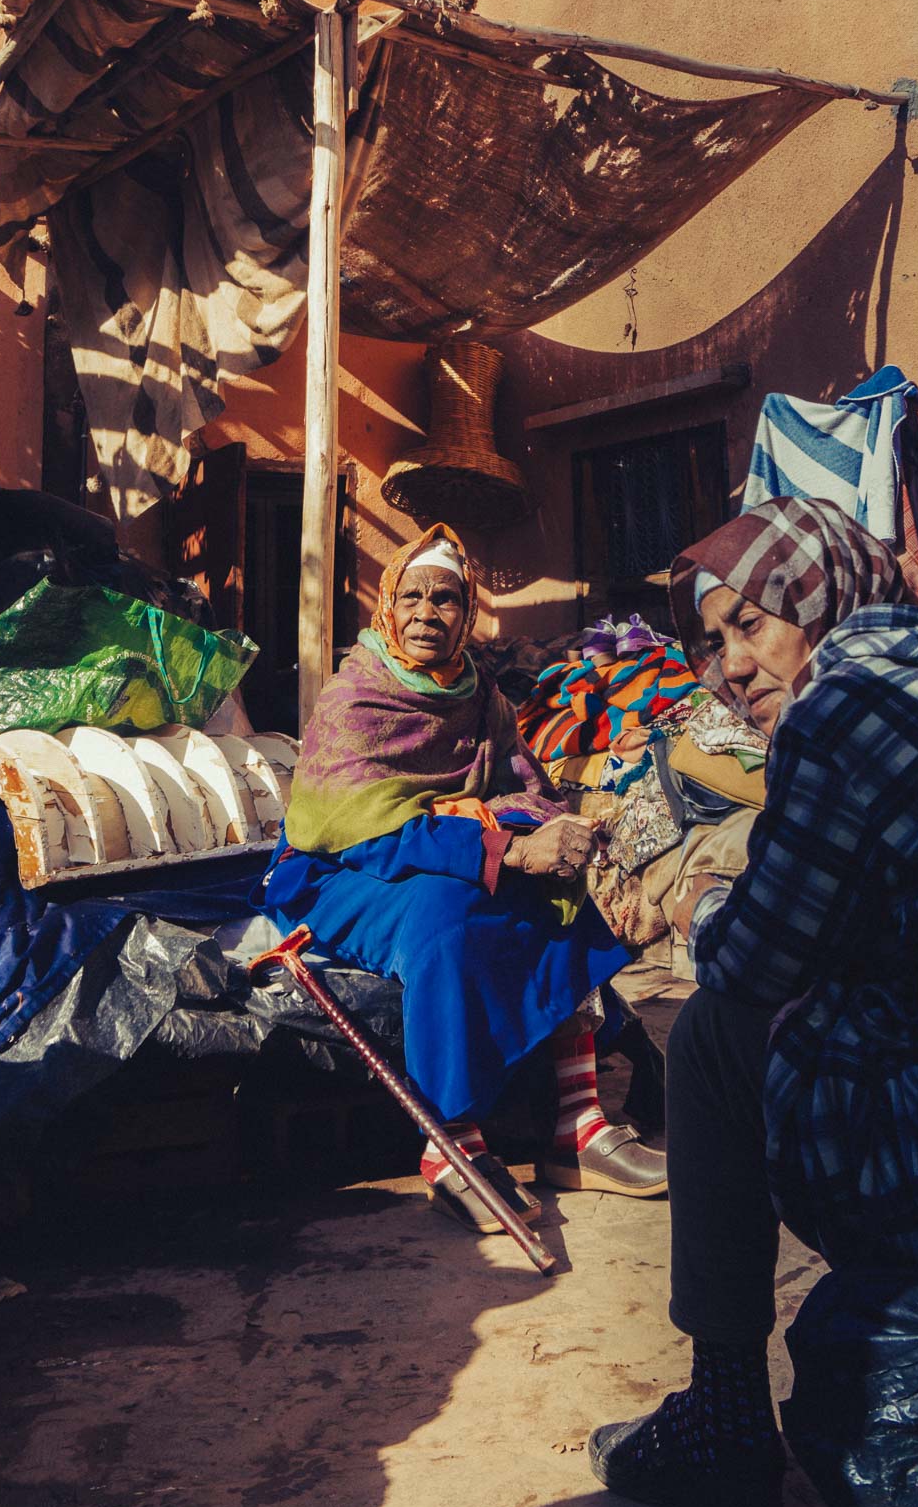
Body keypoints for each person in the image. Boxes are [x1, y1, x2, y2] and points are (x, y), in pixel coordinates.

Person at [589, 496, 918, 1507]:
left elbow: (747, 964)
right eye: (708, 641)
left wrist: (697, 900)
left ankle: (723, 1414)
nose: (727, 665)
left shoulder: (840, 708)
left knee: (708, 1036)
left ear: (821, 599)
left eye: (750, 623)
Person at [255, 523, 666, 1231]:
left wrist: (545, 831)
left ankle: (578, 1126)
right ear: (387, 605)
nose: (425, 614)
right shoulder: (355, 699)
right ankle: (452, 1143)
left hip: (444, 847)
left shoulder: (480, 696)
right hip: (342, 869)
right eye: (411, 597)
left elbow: (524, 784)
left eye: (444, 600)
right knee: (443, 918)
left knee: (559, 897)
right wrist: (495, 848)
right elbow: (348, 824)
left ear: (466, 611)